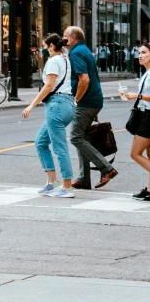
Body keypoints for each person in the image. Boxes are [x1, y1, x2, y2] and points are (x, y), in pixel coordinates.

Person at [63, 26, 118, 190]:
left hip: (86, 101)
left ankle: (107, 169)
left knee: (75, 137)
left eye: (65, 36)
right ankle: (83, 178)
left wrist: (76, 100)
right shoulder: (85, 50)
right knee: (82, 137)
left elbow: (84, 79)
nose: (63, 39)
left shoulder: (76, 52)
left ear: (73, 38)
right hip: (93, 100)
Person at [22, 34, 76, 198]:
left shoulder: (53, 61)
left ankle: (67, 187)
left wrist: (31, 105)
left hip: (56, 105)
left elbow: (49, 86)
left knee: (60, 148)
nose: (44, 50)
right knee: (41, 142)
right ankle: (51, 182)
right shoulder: (65, 59)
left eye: (45, 47)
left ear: (52, 46)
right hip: (66, 103)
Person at [122, 43, 150, 201]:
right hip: (145, 114)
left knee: (135, 153)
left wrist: (137, 96)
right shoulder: (146, 73)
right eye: (139, 52)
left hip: (148, 117)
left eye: (144, 52)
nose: (140, 55)